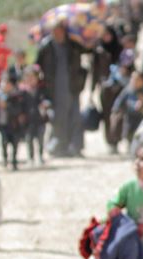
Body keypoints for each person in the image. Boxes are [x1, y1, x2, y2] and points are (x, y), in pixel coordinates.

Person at [36, 19, 86, 157]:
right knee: (58, 119)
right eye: (54, 31)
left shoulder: (72, 45)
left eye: (59, 31)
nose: (57, 34)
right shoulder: (46, 47)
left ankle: (76, 147)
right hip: (54, 89)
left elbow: (86, 49)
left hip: (72, 86)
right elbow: (37, 66)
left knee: (75, 116)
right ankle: (59, 146)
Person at [0, 74, 30, 170]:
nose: (4, 85)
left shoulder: (17, 96)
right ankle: (5, 160)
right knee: (4, 143)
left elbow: (19, 110)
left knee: (15, 144)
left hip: (14, 124)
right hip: (2, 124)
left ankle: (14, 161)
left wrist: (7, 106)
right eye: (3, 83)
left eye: (7, 83)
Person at [112, 70, 143, 148]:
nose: (135, 82)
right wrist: (116, 110)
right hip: (129, 116)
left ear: (142, 82)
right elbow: (120, 100)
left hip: (140, 116)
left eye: (138, 80)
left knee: (140, 132)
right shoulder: (128, 90)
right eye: (133, 79)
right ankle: (129, 144)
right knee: (128, 132)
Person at [21, 65, 49, 165]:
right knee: (29, 139)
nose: (30, 79)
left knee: (40, 139)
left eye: (32, 77)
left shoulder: (42, 89)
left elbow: (47, 99)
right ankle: (31, 158)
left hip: (40, 119)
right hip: (28, 119)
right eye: (27, 77)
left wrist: (45, 104)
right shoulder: (22, 91)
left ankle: (41, 156)